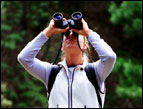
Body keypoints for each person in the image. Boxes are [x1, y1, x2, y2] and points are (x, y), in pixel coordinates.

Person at [17, 17, 116, 108]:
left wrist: (88, 32)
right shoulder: (51, 73)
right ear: (62, 46)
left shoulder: (95, 72)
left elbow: (110, 57)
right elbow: (24, 58)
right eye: (67, 34)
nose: (71, 35)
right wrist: (48, 32)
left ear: (85, 45)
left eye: (76, 34)